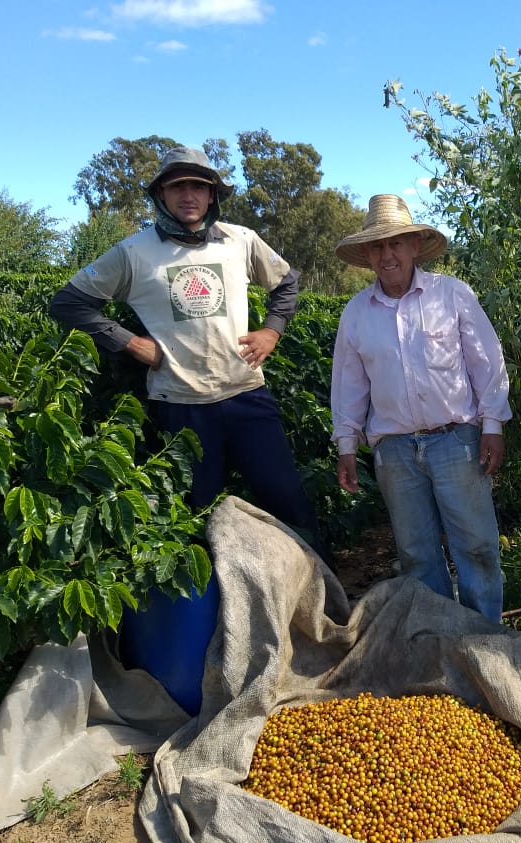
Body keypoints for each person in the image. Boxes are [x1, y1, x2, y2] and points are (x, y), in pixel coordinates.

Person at [50, 145, 330, 566]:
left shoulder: (240, 240)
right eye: (177, 185)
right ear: (160, 194)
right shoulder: (133, 252)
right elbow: (68, 303)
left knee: (287, 502)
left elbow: (286, 284)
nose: (189, 195)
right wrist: (130, 343)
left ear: (212, 194)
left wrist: (271, 332)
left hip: (247, 397)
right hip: (181, 409)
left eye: (199, 186)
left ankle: (325, 599)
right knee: (196, 520)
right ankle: (218, 621)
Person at [330, 194, 511, 622]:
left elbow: (487, 361)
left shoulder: (451, 295)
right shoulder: (356, 314)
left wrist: (493, 425)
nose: (387, 254)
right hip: (394, 451)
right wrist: (346, 445)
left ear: (415, 246)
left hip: (456, 441)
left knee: (477, 547)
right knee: (416, 555)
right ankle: (439, 641)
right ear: (368, 256)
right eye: (378, 246)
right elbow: (348, 385)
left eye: (396, 243)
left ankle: (485, 642)